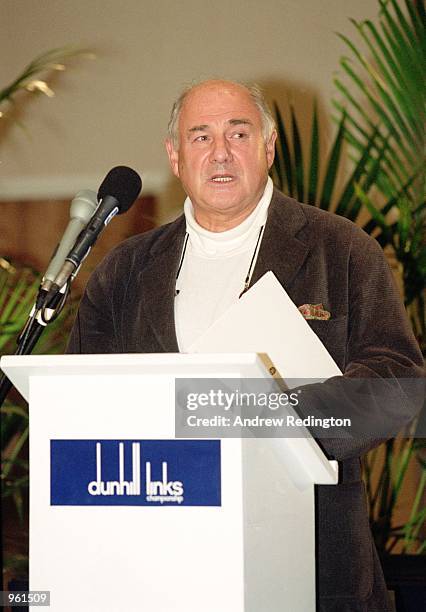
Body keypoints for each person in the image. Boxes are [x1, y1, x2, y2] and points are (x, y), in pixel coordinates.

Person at [67, 79, 424, 611]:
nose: (221, 153)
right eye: (201, 136)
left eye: (239, 133)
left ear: (269, 146)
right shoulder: (126, 268)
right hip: (161, 559)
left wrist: (271, 416)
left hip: (312, 560)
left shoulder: (341, 248)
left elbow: (398, 381)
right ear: (175, 156)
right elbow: (84, 397)